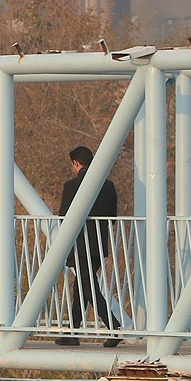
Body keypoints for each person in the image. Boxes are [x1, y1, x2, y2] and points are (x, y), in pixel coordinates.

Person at [56, 145, 124, 347]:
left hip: (79, 245)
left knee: (88, 286)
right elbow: (112, 217)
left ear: (76, 163)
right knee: (83, 285)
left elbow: (64, 217)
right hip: (98, 244)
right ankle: (72, 332)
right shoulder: (108, 185)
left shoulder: (71, 186)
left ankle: (113, 327)